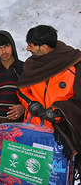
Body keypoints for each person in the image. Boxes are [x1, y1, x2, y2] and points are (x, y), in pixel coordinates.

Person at [17, 25, 81, 174]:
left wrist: (58, 111)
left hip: (61, 135)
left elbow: (78, 100)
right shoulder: (31, 65)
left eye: (31, 45)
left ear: (44, 47)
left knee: (55, 176)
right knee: (30, 174)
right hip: (32, 131)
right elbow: (21, 89)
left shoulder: (74, 65)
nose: (27, 49)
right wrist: (30, 103)